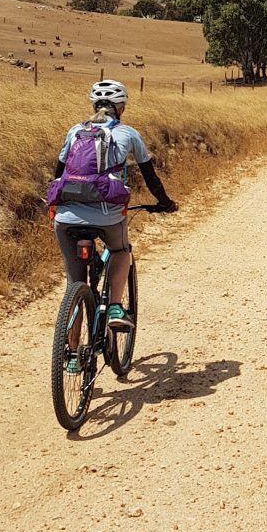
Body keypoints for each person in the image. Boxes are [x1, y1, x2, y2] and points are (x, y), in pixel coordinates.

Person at [52, 79, 177, 348]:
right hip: (107, 214)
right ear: (121, 108)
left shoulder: (75, 131)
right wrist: (166, 203)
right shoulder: (128, 133)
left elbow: (58, 174)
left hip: (66, 217)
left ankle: (71, 355)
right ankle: (116, 308)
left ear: (94, 105)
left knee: (75, 282)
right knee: (121, 252)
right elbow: (150, 177)